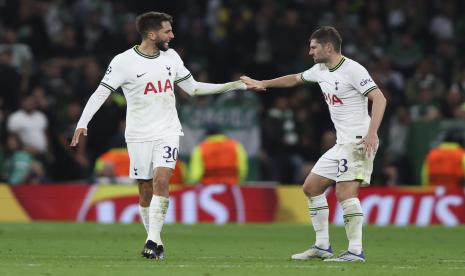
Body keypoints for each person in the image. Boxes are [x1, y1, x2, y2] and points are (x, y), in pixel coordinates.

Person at [70, 11, 246, 260]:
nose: (172, 36)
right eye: (167, 31)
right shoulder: (123, 62)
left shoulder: (171, 57)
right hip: (138, 134)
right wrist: (82, 122)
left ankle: (152, 240)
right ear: (151, 34)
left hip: (168, 130)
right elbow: (101, 92)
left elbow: (193, 88)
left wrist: (234, 85)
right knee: (145, 190)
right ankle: (155, 240)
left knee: (162, 180)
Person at [241, 26, 387, 262]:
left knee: (345, 192)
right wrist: (262, 82)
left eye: (313, 47)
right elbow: (294, 79)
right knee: (311, 187)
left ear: (328, 47)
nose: (310, 52)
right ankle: (321, 246)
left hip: (359, 139)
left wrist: (372, 133)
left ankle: (356, 251)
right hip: (342, 143)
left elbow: (379, 98)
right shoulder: (320, 70)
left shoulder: (353, 69)